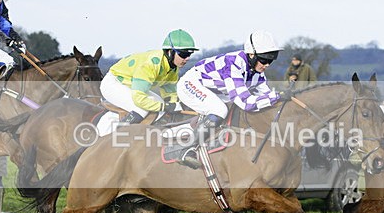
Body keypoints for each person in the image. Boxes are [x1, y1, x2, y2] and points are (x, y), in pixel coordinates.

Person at [176, 30, 285, 165]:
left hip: (215, 91)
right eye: (264, 60)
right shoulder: (233, 64)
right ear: (251, 55)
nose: (267, 65)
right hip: (191, 84)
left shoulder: (258, 73)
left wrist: (281, 97)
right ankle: (187, 149)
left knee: (230, 109)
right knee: (220, 110)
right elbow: (246, 103)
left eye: (271, 60)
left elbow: (267, 97)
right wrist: (277, 96)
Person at [100, 29, 197, 124]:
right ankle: (119, 130)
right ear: (169, 52)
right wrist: (165, 106)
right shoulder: (150, 65)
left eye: (189, 54)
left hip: (130, 84)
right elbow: (139, 99)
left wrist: (177, 106)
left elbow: (170, 95)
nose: (187, 58)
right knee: (141, 109)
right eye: (183, 54)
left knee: (159, 103)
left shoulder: (173, 68)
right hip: (113, 83)